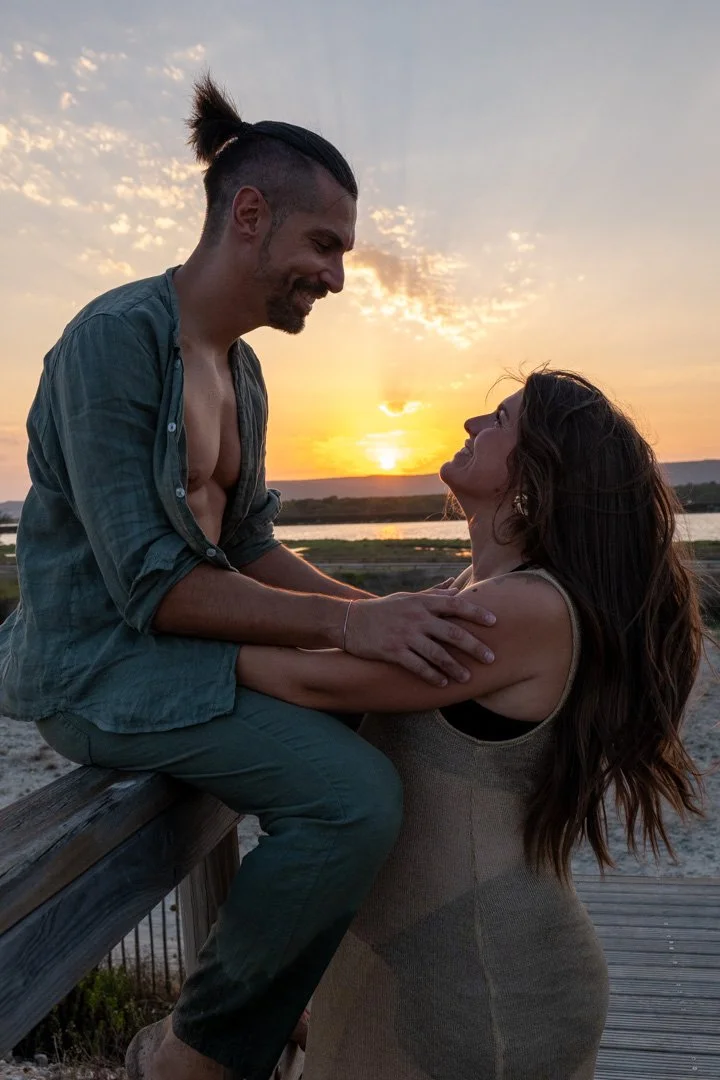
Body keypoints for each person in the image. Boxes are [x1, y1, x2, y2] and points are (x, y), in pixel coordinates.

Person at [0, 76, 500, 1080]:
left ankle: (328, 991)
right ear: (250, 213)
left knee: (389, 707)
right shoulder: (113, 341)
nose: (338, 277)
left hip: (189, 651)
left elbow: (253, 543)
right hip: (98, 669)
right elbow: (155, 586)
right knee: (350, 797)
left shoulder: (242, 370)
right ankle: (192, 1057)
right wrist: (345, 631)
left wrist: (393, 613)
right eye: (326, 246)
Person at [236, 370, 705, 1080]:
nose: (469, 425)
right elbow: (340, 626)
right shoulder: (472, 595)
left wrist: (155, 643)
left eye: (498, 418)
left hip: (482, 983)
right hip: (420, 970)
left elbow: (307, 673)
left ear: (535, 470)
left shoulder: (523, 609)